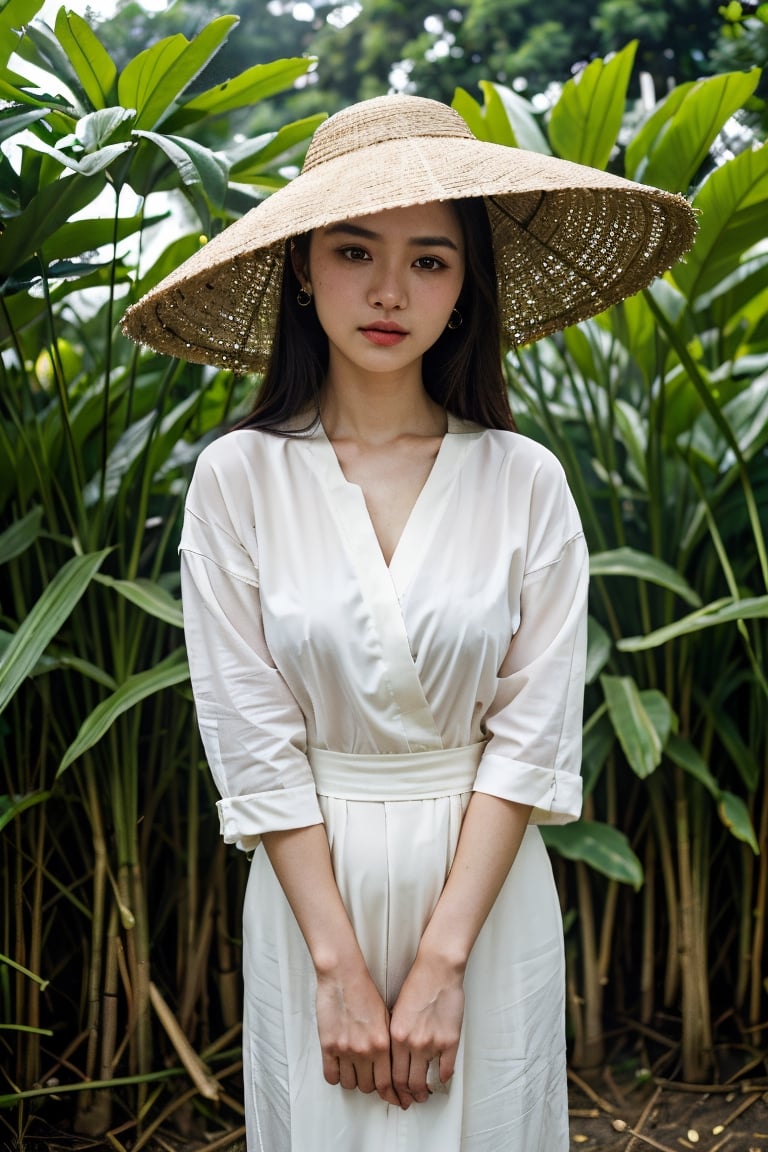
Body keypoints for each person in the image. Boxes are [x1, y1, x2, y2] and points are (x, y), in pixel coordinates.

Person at [123, 94, 695, 1151]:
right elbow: (249, 736)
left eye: (431, 260)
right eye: (355, 250)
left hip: (484, 900)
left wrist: (441, 964)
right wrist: (337, 969)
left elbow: (530, 737)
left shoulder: (525, 482)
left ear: (467, 284)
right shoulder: (238, 481)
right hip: (310, 898)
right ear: (301, 263)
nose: (391, 291)